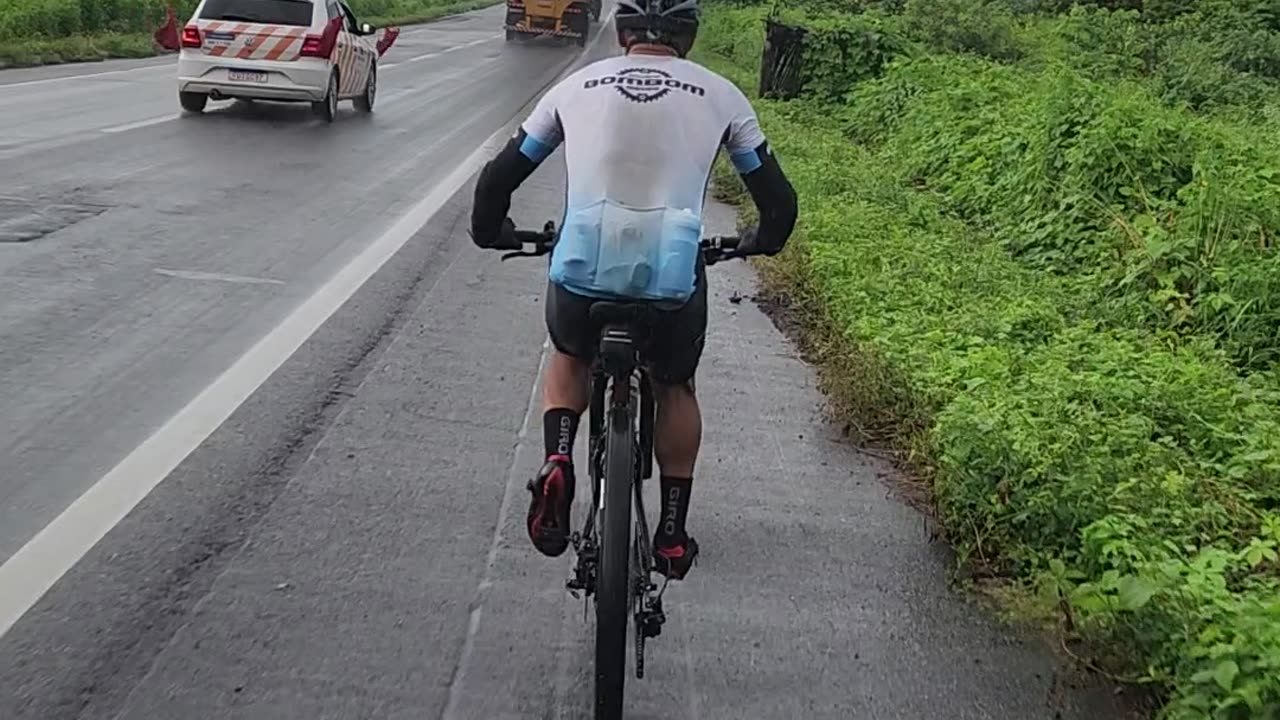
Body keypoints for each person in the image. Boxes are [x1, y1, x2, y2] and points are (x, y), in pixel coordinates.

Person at [469, 0, 798, 580]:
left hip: (581, 270)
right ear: (688, 34)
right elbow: (778, 203)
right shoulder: (721, 95)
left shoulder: (574, 88)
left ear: (621, 30)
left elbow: (500, 176)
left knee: (570, 355)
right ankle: (671, 531)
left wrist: (490, 229)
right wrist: (760, 240)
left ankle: (557, 462)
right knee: (675, 386)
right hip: (671, 280)